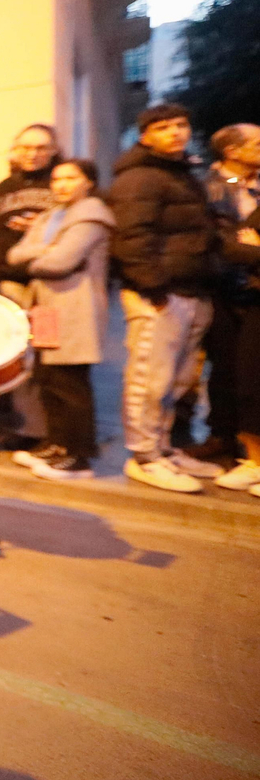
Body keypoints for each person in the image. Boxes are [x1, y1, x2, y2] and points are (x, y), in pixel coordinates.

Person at [107, 103, 224, 493]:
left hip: (191, 288)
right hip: (160, 293)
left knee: (178, 381)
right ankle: (144, 457)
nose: (175, 132)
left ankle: (163, 448)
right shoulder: (140, 178)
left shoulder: (183, 174)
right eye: (163, 127)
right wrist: (152, 285)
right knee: (149, 378)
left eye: (180, 124)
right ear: (146, 136)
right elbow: (131, 236)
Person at [5, 160, 115, 480]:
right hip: (46, 307)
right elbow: (15, 255)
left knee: (71, 382)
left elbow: (60, 262)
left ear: (89, 182)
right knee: (49, 378)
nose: (61, 185)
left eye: (70, 178)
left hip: (74, 308)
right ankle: (57, 443)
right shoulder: (51, 216)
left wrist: (39, 254)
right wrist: (46, 248)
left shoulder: (92, 216)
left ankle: (79, 456)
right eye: (56, 179)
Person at [0, 124, 60, 450]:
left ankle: (57, 430)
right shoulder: (3, 188)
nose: (33, 154)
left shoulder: (61, 184)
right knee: (20, 355)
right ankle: (30, 427)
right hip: (13, 284)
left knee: (50, 354)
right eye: (26, 148)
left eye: (41, 147)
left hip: (49, 286)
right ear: (15, 151)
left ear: (54, 150)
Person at [199, 122, 260, 473]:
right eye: (255, 143)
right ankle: (223, 438)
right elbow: (223, 245)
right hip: (222, 288)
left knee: (250, 371)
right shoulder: (208, 187)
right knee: (224, 368)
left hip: (252, 290)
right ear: (232, 152)